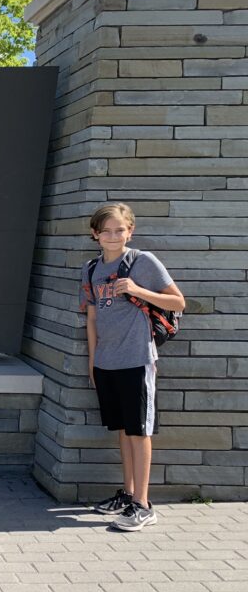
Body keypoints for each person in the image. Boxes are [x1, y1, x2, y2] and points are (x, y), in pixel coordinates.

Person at [80, 203, 185, 531]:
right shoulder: (91, 268)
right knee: (125, 430)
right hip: (108, 361)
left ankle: (143, 503)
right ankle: (128, 493)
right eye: (106, 231)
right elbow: (93, 317)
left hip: (137, 359)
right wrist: (93, 361)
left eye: (119, 230)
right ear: (95, 234)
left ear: (130, 231)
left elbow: (178, 301)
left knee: (140, 431)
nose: (113, 236)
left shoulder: (142, 262)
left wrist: (138, 290)